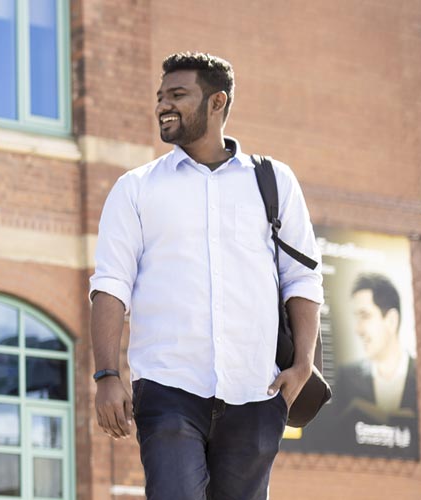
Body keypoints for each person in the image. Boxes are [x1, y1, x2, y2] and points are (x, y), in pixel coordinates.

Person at [88, 52, 324, 500]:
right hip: (167, 388)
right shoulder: (136, 188)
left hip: (256, 389)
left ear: (217, 103)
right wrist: (107, 375)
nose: (162, 106)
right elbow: (110, 286)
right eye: (160, 97)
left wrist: (304, 364)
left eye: (177, 95)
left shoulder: (273, 182)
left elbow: (302, 279)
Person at [335, 273, 417, 426]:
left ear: (392, 320)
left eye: (365, 316)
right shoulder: (346, 378)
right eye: (356, 318)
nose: (357, 329)